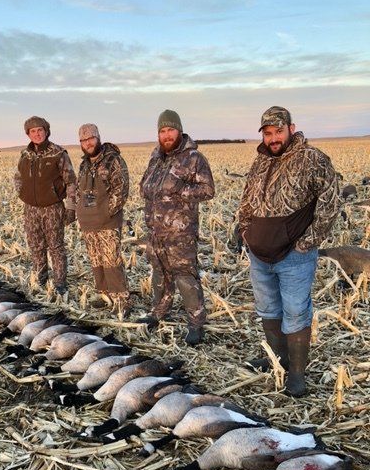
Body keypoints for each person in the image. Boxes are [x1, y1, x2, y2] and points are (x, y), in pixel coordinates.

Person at [238, 106, 341, 397]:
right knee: (268, 309)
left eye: (278, 131)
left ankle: (296, 373)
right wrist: (245, 230)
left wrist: (306, 242)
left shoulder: (313, 159)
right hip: (259, 254)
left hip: (294, 256)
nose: (273, 138)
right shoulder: (260, 161)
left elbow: (330, 204)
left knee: (295, 313)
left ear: (291, 128)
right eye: (268, 133)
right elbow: (247, 199)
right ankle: (277, 360)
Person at [139, 110, 215, 345]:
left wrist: (180, 192)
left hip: (180, 234)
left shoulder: (193, 158)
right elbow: (145, 187)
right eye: (162, 131)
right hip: (155, 231)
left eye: (170, 130)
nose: (166, 135)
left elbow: (208, 189)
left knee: (185, 277)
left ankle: (196, 322)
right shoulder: (156, 159)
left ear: (179, 130)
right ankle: (159, 311)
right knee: (159, 273)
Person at [14, 116, 76, 294]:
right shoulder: (25, 155)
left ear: (46, 131)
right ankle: (41, 280)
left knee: (55, 246)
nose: (37, 134)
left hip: (52, 207)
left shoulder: (58, 153)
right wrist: (23, 194)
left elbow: (71, 181)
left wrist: (70, 207)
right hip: (31, 209)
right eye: (32, 131)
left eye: (40, 130)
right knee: (35, 245)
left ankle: (60, 283)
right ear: (28, 134)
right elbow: (18, 177)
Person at [75, 123, 131, 315]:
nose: (88, 143)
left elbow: (121, 189)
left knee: (111, 261)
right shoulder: (84, 164)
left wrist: (107, 212)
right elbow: (78, 191)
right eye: (83, 140)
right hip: (88, 222)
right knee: (96, 260)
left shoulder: (112, 160)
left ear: (98, 138)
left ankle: (121, 300)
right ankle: (104, 295)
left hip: (107, 221)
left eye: (91, 138)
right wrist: (79, 210)